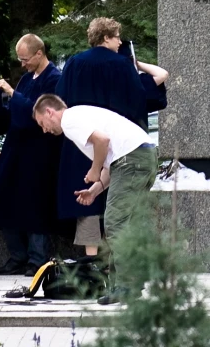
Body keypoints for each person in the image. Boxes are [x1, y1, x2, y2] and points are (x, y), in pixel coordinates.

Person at [56, 18, 167, 257]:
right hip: (118, 143)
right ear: (106, 37)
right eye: (117, 37)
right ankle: (117, 259)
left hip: (83, 140)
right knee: (120, 204)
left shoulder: (74, 63)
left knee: (87, 205)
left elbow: (61, 99)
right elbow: (137, 98)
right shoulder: (121, 64)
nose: (120, 42)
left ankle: (91, 256)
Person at [34, 93, 157, 303]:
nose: (45, 129)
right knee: (126, 225)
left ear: (49, 112)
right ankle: (129, 284)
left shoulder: (70, 120)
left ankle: (126, 287)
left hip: (132, 160)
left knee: (115, 223)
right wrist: (95, 189)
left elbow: (103, 141)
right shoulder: (82, 115)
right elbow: (113, 160)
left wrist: (93, 169)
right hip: (142, 157)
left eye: (42, 123)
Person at [0, 33, 62, 275]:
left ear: (39, 53)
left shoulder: (54, 78)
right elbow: (16, 111)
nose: (22, 64)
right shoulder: (28, 78)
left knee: (35, 203)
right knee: (3, 193)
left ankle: (37, 258)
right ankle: (17, 255)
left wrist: (12, 93)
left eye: (25, 58)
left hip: (39, 150)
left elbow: (40, 113)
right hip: (16, 147)